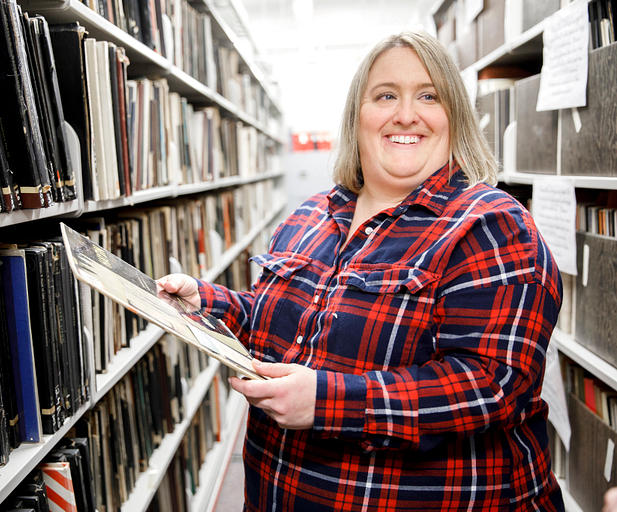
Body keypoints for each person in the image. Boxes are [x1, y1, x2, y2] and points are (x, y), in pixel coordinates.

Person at [158, 30, 564, 511]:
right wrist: (208, 304)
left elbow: (492, 383)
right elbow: (282, 322)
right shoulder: (308, 216)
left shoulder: (491, 225)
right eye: (386, 95)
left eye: (428, 96)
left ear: (454, 115)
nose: (406, 114)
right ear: (357, 117)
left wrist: (328, 402)